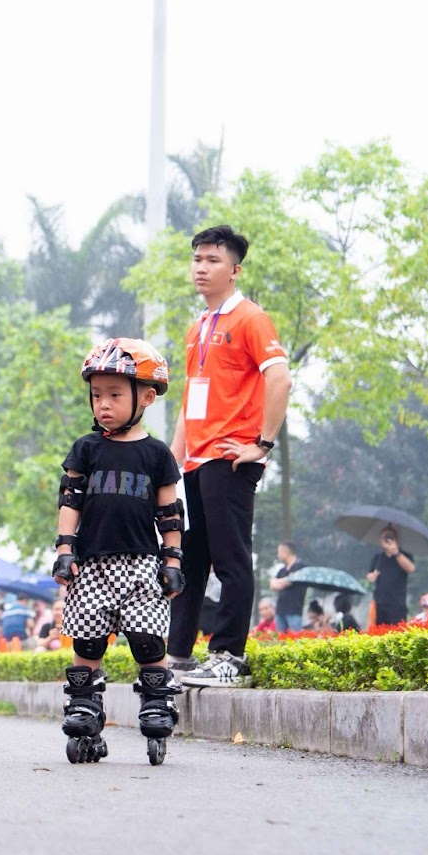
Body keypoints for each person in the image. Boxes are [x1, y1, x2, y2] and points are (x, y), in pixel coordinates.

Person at [168, 225, 290, 689]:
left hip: (232, 458)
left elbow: (280, 380)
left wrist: (262, 444)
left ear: (235, 270)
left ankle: (229, 656)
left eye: (213, 260)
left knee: (230, 557)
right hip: (196, 463)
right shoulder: (197, 326)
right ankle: (177, 656)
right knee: (190, 558)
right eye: (197, 258)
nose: (201, 267)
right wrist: (170, 466)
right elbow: (189, 400)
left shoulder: (251, 318)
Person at [52, 338, 184, 764]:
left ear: (146, 396)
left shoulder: (157, 455)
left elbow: (169, 511)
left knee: (148, 640)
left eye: (114, 394)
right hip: (90, 565)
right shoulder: (86, 449)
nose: (103, 404)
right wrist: (65, 550)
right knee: (88, 642)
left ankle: (156, 704)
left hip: (142, 564)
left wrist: (174, 559)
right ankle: (85, 708)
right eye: (97, 395)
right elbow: (70, 500)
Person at [365, 527, 414, 626]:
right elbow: (370, 575)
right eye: (385, 537)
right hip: (380, 605)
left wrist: (396, 552)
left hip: (397, 605)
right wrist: (371, 577)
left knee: (397, 634)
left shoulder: (404, 555)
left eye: (390, 537)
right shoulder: (377, 558)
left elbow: (410, 568)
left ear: (396, 539)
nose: (387, 540)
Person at [269, 540, 308, 632]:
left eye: (279, 552)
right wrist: (285, 581)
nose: (278, 554)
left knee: (295, 638)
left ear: (285, 552)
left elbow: (291, 580)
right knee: (280, 640)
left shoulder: (300, 567)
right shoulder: (281, 570)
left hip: (294, 610)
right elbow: (272, 585)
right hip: (280, 610)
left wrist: (279, 582)